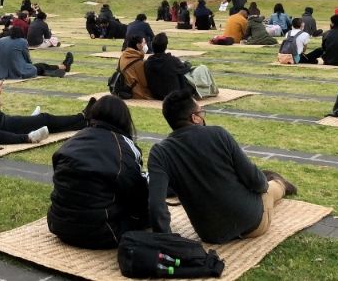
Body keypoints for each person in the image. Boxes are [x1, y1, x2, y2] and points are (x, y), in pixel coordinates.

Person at [148, 89, 297, 244]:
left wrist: (167, 244)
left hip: (211, 234)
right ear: (195, 118)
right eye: (202, 112)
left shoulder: (159, 153)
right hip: (252, 222)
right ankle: (281, 184)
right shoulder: (218, 134)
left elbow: (156, 205)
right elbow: (257, 183)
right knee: (270, 188)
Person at [48, 95, 148, 249]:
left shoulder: (70, 142)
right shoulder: (123, 148)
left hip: (58, 224)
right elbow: (137, 194)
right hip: (103, 232)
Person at [145, 33, 218, 100]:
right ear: (166, 46)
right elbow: (185, 69)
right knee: (202, 68)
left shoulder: (148, 62)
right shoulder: (171, 60)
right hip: (175, 94)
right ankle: (212, 90)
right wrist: (187, 64)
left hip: (157, 94)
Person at [0, 27, 73, 80]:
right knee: (40, 66)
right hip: (18, 72)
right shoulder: (22, 41)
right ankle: (64, 66)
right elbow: (27, 58)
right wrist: (30, 66)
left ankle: (60, 68)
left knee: (40, 67)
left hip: (3, 74)